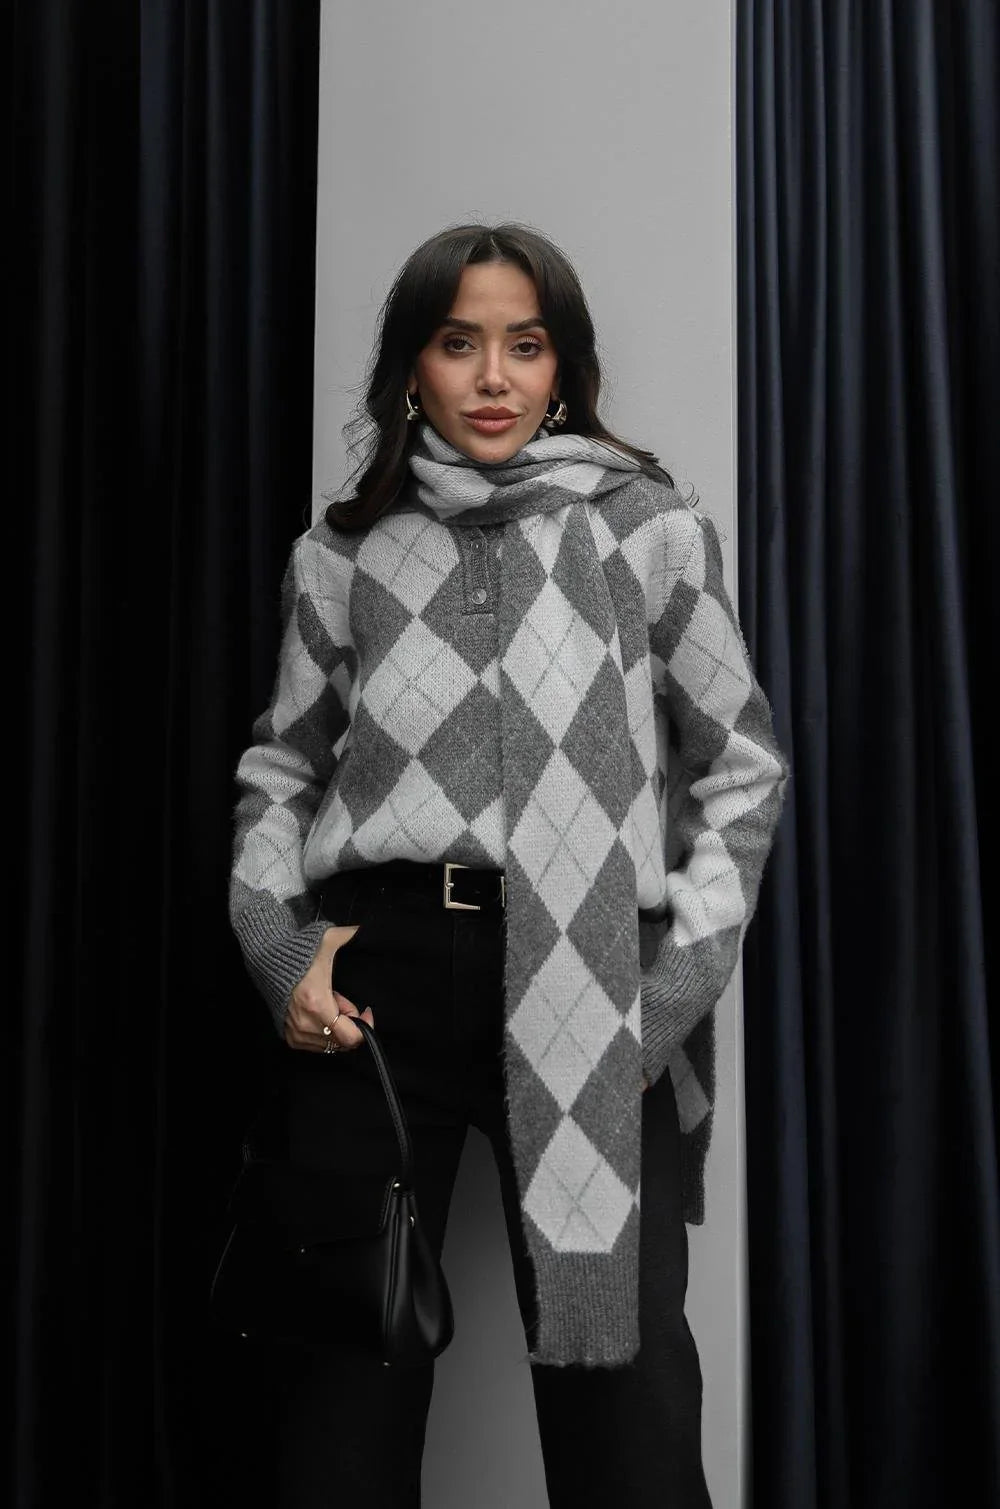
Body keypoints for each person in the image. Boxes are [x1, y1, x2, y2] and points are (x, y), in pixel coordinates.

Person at [229, 221, 788, 1508]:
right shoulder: (343, 552)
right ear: (410, 370)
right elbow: (280, 772)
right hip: (371, 997)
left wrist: (667, 990)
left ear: (563, 368)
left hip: (592, 982)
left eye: (524, 346)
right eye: (458, 343)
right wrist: (280, 948)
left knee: (628, 1429)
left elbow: (743, 770)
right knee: (339, 1416)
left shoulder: (650, 530)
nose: (492, 377)